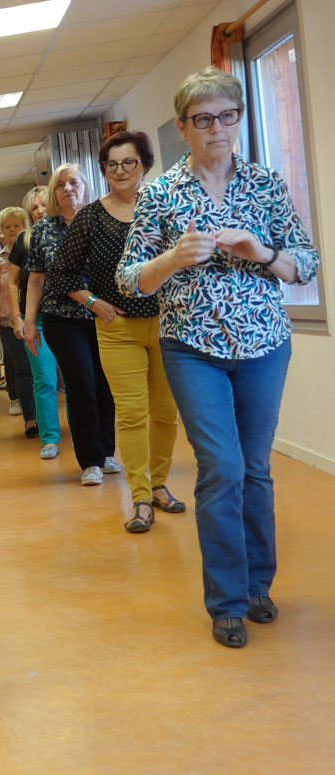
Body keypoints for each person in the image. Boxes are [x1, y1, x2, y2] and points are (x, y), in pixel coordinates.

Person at [117, 67, 318, 648]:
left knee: (254, 468)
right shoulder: (161, 193)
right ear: (183, 127)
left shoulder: (265, 184)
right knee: (222, 468)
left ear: (238, 119)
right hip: (192, 347)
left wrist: (263, 252)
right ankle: (226, 600)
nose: (217, 129)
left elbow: (304, 264)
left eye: (227, 116)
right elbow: (130, 279)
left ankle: (257, 586)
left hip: (264, 345)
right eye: (203, 119)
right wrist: (172, 259)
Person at [50, 133, 184, 533]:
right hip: (118, 329)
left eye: (129, 162)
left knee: (166, 412)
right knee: (131, 414)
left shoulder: (162, 207)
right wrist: (94, 303)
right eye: (111, 164)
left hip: (168, 324)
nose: (120, 171)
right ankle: (140, 497)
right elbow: (62, 273)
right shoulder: (91, 217)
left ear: (144, 164)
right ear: (103, 169)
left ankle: (159, 485)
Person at [24, 163, 119, 486]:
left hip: (102, 316)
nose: (68, 189)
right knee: (81, 383)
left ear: (85, 186)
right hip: (61, 317)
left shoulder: (103, 222)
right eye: (60, 184)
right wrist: (29, 322)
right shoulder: (43, 230)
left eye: (74, 182)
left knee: (104, 384)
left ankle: (107, 452)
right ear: (54, 192)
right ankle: (90, 460)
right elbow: (36, 280)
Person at [8, 186, 61, 456]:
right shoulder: (23, 241)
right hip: (36, 319)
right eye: (35, 207)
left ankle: (86, 435)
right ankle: (49, 438)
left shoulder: (68, 231)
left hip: (67, 316)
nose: (40, 211)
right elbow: (12, 281)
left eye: (44, 205)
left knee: (76, 379)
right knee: (44, 378)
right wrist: (17, 318)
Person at [0, 207, 38, 435]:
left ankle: (45, 416)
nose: (11, 230)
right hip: (9, 323)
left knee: (40, 370)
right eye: (7, 226)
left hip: (35, 318)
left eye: (16, 225)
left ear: (25, 226)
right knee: (24, 368)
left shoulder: (35, 252)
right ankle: (30, 419)